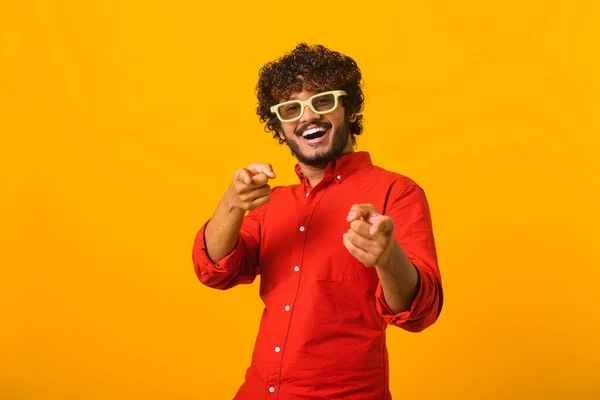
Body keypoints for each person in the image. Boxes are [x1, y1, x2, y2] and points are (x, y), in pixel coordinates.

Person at [192, 43, 443, 399]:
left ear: (350, 110)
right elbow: (214, 270)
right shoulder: (271, 202)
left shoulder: (396, 192)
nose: (307, 116)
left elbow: (419, 312)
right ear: (280, 129)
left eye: (322, 101)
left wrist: (388, 259)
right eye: (291, 109)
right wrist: (232, 202)